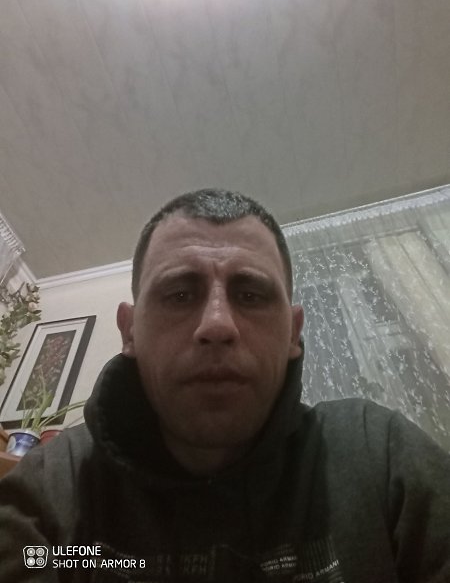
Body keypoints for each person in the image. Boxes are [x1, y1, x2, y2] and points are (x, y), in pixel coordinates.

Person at [0, 188, 449, 583]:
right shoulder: (52, 488)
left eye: (250, 295)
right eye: (180, 294)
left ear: (293, 333)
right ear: (130, 330)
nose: (217, 325)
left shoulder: (377, 454)